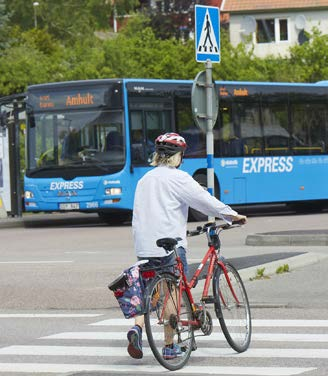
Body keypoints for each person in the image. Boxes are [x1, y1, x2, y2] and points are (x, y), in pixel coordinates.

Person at [127, 132, 247, 360]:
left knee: (148, 291)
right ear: (178, 156)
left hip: (144, 245)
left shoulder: (144, 180)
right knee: (173, 291)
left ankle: (137, 328)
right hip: (170, 244)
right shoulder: (178, 178)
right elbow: (204, 200)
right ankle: (170, 346)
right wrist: (232, 215)